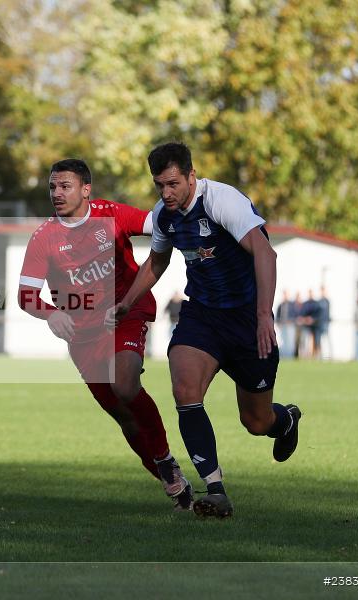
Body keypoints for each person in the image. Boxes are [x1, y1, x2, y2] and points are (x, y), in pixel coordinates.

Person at [106, 142, 301, 519]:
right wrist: (128, 301)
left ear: (192, 175)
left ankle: (286, 419)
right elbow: (157, 260)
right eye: (159, 185)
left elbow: (265, 253)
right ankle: (215, 490)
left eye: (173, 183)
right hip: (202, 317)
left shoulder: (221, 201)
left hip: (246, 319)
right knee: (184, 389)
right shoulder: (165, 215)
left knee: (256, 422)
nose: (166, 193)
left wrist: (264, 315)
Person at [18, 158, 193, 511]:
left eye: (65, 186)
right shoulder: (44, 238)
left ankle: (165, 460)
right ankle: (169, 478)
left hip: (124, 313)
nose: (57, 193)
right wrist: (50, 314)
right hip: (82, 337)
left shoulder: (110, 214)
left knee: (125, 384)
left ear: (86, 189)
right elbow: (25, 295)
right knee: (122, 414)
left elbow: (157, 221)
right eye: (52, 187)